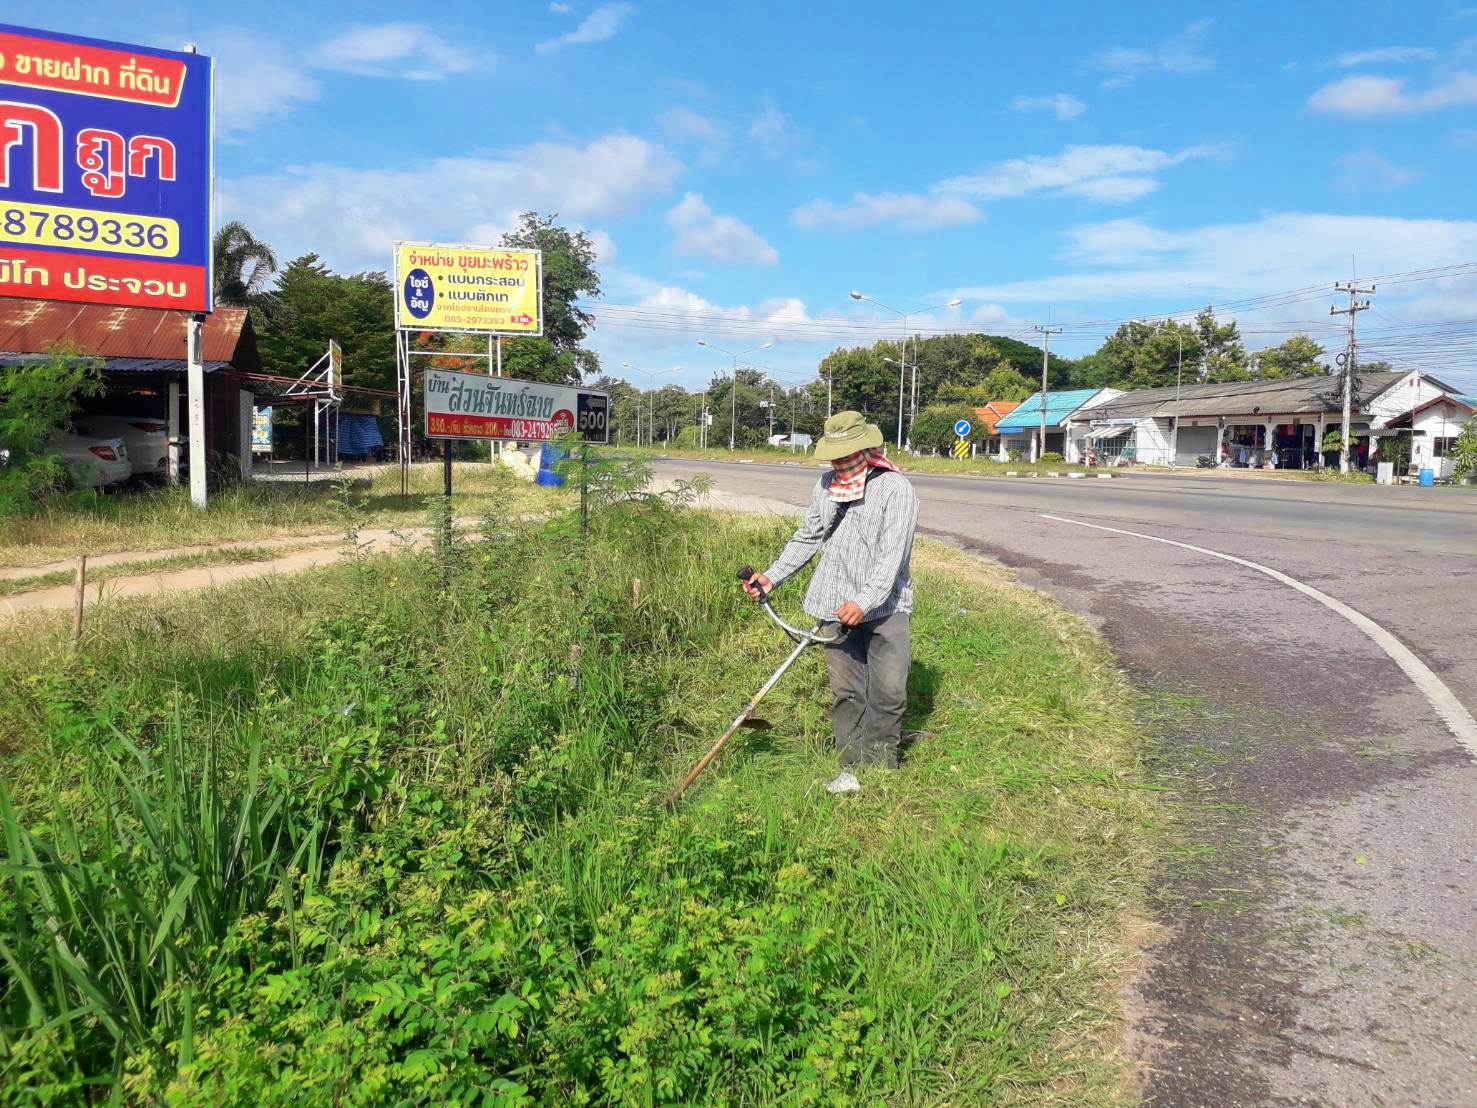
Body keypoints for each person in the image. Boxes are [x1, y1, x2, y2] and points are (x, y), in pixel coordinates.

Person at [741, 411, 920, 795]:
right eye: (833, 455)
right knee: (847, 692)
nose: (838, 462)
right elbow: (808, 536)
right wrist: (772, 576)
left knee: (888, 693)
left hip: (885, 608)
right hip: (833, 607)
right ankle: (850, 765)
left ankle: (880, 769)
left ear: (865, 447)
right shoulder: (825, 485)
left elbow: (893, 557)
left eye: (846, 453)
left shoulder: (895, 489)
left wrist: (865, 599)